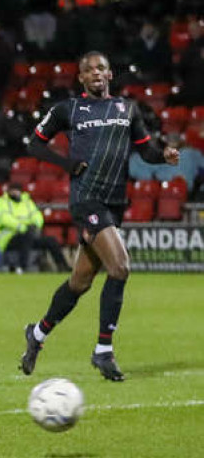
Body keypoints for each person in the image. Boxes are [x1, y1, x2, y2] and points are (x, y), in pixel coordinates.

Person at [20, 51, 180, 381]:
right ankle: (103, 350)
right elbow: (34, 145)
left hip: (114, 203)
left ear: (110, 75)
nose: (96, 73)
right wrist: (67, 166)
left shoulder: (127, 109)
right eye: (89, 69)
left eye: (102, 68)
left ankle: (36, 334)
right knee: (120, 266)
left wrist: (163, 154)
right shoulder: (68, 109)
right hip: (86, 199)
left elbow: (145, 149)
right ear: (80, 78)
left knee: (80, 281)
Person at [0, 182, 69, 273]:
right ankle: (23, 267)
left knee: (51, 241)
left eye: (17, 191)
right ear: (8, 192)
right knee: (26, 237)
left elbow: (37, 216)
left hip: (29, 235)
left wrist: (35, 225)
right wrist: (22, 227)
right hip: (9, 239)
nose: (15, 193)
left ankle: (62, 267)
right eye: (12, 191)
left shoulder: (27, 202)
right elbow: (4, 218)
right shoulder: (1, 202)